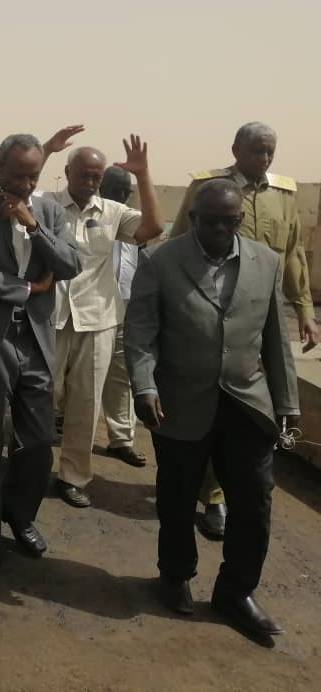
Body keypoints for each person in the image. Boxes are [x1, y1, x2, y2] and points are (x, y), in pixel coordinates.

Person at [125, 179, 297, 637]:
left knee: (254, 502)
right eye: (212, 221)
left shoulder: (266, 262)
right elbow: (140, 333)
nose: (221, 229)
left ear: (240, 220)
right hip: (180, 403)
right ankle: (174, 576)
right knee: (177, 498)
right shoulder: (161, 261)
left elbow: (276, 339)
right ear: (194, 218)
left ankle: (236, 592)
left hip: (247, 403)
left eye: (230, 221)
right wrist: (144, 386)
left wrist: (287, 401)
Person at [170, 121, 318, 541]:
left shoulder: (284, 195)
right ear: (235, 149)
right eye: (256, 150)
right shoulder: (208, 189)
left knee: (255, 407)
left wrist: (305, 310)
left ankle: (237, 482)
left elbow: (293, 255)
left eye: (270, 151)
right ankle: (213, 496)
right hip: (213, 315)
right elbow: (178, 244)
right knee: (215, 402)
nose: (264, 159)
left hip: (263, 317)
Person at [0, 133, 81, 575]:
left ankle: (20, 516)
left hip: (37, 339)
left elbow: (71, 264)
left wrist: (33, 226)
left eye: (33, 177)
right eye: (17, 176)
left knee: (39, 443)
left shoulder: (49, 211)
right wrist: (26, 288)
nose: (25, 185)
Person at [44, 139, 163, 508]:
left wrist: (143, 174)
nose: (90, 182)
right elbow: (20, 188)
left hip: (97, 319)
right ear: (67, 173)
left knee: (85, 403)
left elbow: (153, 227)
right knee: (40, 397)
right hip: (51, 317)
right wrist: (46, 149)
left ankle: (73, 476)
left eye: (96, 177)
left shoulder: (113, 212)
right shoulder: (47, 204)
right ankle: (28, 464)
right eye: (83, 175)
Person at [98, 166, 144, 468]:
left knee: (121, 376)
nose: (120, 197)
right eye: (114, 191)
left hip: (126, 313)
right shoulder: (91, 219)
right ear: (102, 189)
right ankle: (59, 418)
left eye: (125, 192)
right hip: (91, 312)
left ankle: (122, 440)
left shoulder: (134, 225)